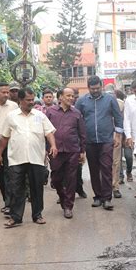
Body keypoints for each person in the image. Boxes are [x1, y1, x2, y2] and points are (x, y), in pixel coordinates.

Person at [0, 87, 58, 228]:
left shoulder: (39, 115)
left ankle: (37, 215)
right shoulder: (11, 116)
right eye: (28, 100)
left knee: (37, 188)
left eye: (32, 99)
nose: (31, 102)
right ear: (20, 100)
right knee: (16, 188)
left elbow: (49, 133)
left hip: (36, 158)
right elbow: (5, 137)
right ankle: (16, 217)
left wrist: (53, 146)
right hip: (16, 158)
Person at [76, 75, 123, 210]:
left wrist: (118, 136)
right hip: (89, 141)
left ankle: (107, 198)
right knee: (94, 170)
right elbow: (76, 119)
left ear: (101, 86)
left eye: (97, 88)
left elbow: (118, 118)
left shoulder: (110, 99)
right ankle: (98, 196)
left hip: (106, 140)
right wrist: (79, 140)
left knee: (107, 168)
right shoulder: (82, 101)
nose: (95, 91)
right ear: (88, 88)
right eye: (92, 89)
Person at [46, 88, 86, 219]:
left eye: (72, 96)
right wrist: (46, 149)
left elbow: (82, 134)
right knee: (56, 179)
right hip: (55, 151)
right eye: (68, 95)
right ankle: (62, 197)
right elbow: (45, 131)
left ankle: (68, 206)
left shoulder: (76, 113)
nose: (71, 98)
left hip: (72, 150)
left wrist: (82, 151)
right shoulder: (50, 112)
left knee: (71, 179)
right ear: (60, 97)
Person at [72, 88, 87, 198]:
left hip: (76, 144)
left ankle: (79, 188)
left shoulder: (78, 110)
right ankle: (65, 193)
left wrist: (82, 148)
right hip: (63, 145)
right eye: (72, 96)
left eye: (75, 96)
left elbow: (82, 129)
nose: (73, 99)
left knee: (77, 169)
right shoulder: (56, 111)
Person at [112, 89, 125, 199]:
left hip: (117, 135)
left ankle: (115, 187)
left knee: (116, 162)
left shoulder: (121, 104)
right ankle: (104, 187)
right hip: (103, 136)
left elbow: (123, 120)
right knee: (103, 163)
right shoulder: (99, 103)